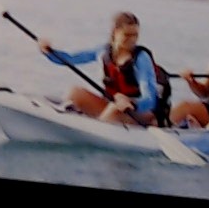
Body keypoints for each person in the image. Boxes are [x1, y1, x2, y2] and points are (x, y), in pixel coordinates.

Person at [37, 11, 172, 127]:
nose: (132, 40)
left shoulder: (141, 59)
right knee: (75, 92)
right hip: (113, 106)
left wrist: (132, 103)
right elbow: (70, 59)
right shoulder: (103, 51)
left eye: (135, 35)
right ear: (115, 32)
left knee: (114, 108)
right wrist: (48, 51)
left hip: (140, 112)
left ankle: (93, 129)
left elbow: (150, 99)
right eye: (127, 35)